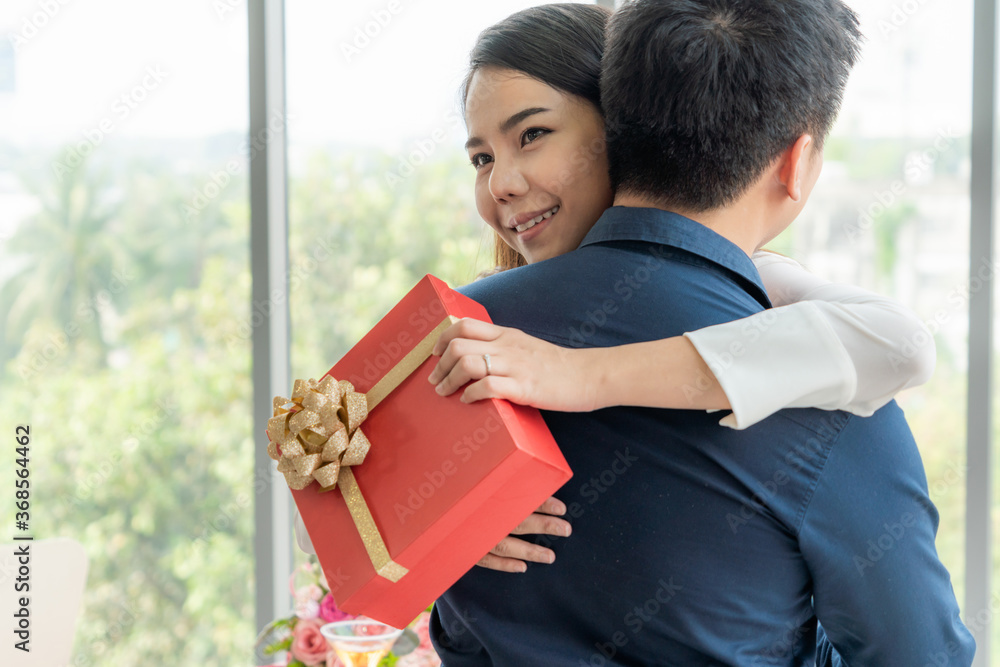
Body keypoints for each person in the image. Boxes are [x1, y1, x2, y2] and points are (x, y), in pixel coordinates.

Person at [427, 1, 974, 664]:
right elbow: (920, 655)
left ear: (620, 124)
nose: (504, 184)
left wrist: (423, 532)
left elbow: (337, 495)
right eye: (481, 157)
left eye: (533, 135)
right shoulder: (832, 393)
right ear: (797, 161)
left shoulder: (459, 340)